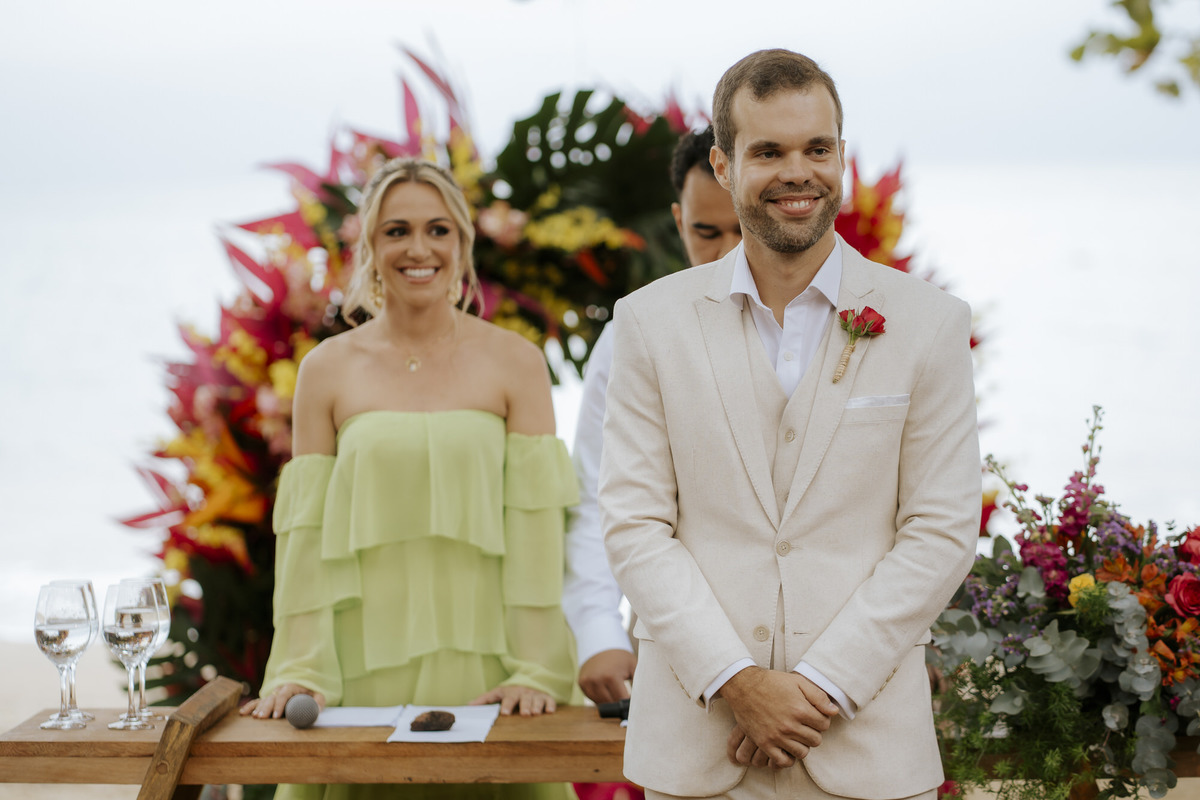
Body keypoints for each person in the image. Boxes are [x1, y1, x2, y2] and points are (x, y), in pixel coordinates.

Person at [600, 50, 981, 800]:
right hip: (699, 743)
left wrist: (822, 683)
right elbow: (634, 523)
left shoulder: (930, 325)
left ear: (841, 154)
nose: (796, 172)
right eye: (768, 151)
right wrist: (736, 680)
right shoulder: (648, 324)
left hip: (865, 743)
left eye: (816, 148)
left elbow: (940, 528)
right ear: (724, 161)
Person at [240, 157, 579, 800]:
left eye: (437, 229)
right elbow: (304, 538)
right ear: (369, 245)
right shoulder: (326, 370)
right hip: (356, 674)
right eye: (396, 231)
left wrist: (537, 672)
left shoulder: (517, 363)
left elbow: (538, 533)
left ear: (462, 243)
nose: (417, 248)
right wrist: (302, 670)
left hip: (489, 675)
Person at [564, 126, 741, 706]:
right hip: (679, 657)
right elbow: (598, 494)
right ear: (677, 219)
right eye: (706, 231)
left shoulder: (857, 324)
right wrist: (598, 630)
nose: (726, 253)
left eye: (743, 229)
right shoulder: (630, 338)